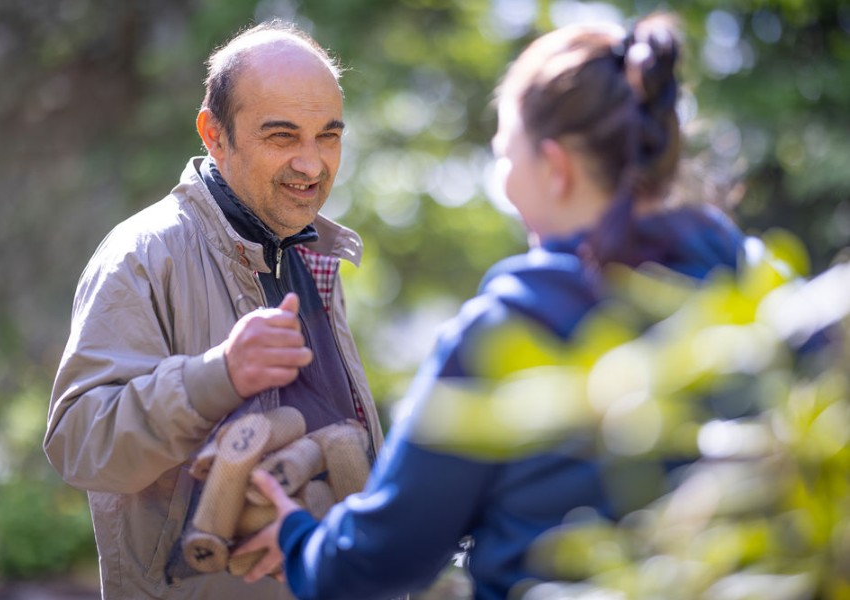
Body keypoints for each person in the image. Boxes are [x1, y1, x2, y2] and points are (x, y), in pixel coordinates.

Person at [235, 12, 749, 600]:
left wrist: (300, 537)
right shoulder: (750, 292)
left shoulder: (507, 335)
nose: (502, 184)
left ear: (554, 168)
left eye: (506, 157)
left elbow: (378, 559)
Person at [43, 20, 384, 600]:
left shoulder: (310, 253)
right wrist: (217, 377)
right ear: (213, 134)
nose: (312, 164)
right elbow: (80, 444)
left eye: (328, 135)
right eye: (282, 136)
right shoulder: (145, 254)